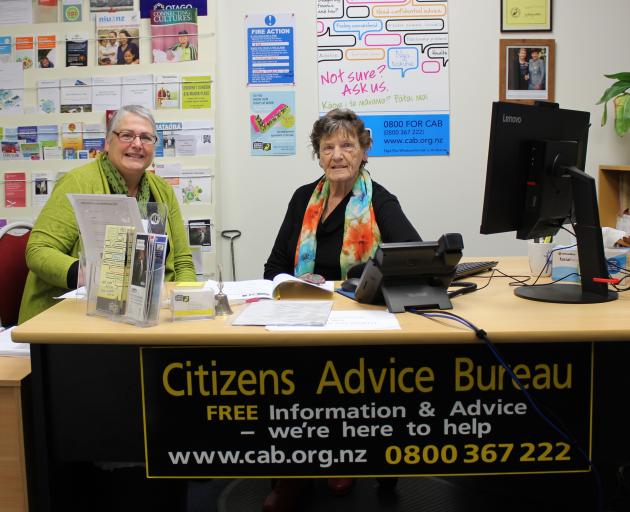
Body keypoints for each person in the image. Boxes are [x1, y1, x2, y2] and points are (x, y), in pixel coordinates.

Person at [262, 109, 420, 512]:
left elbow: (410, 259)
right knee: (283, 369)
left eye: (347, 144)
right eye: (327, 146)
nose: (337, 155)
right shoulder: (303, 199)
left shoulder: (380, 200)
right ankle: (293, 473)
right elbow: (273, 267)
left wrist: (360, 283)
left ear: (363, 151)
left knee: (347, 368)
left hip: (360, 320)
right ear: (317, 155)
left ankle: (344, 451)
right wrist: (297, 283)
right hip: (306, 318)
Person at [19, 104, 196, 323]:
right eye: (127, 135)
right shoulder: (78, 183)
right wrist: (87, 275)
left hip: (151, 315)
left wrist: (186, 303)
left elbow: (182, 261)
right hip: (73, 316)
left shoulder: (163, 191)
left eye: (146, 138)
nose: (137, 144)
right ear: (107, 142)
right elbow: (38, 251)